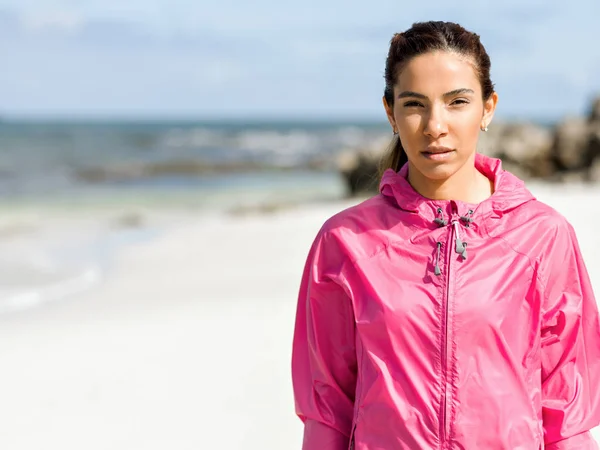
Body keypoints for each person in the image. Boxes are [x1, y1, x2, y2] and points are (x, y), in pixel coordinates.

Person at [291, 21, 600, 449]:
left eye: (457, 102)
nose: (435, 125)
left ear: (488, 108)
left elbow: (567, 412)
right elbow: (327, 410)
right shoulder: (344, 242)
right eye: (415, 104)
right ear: (390, 112)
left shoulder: (544, 237)